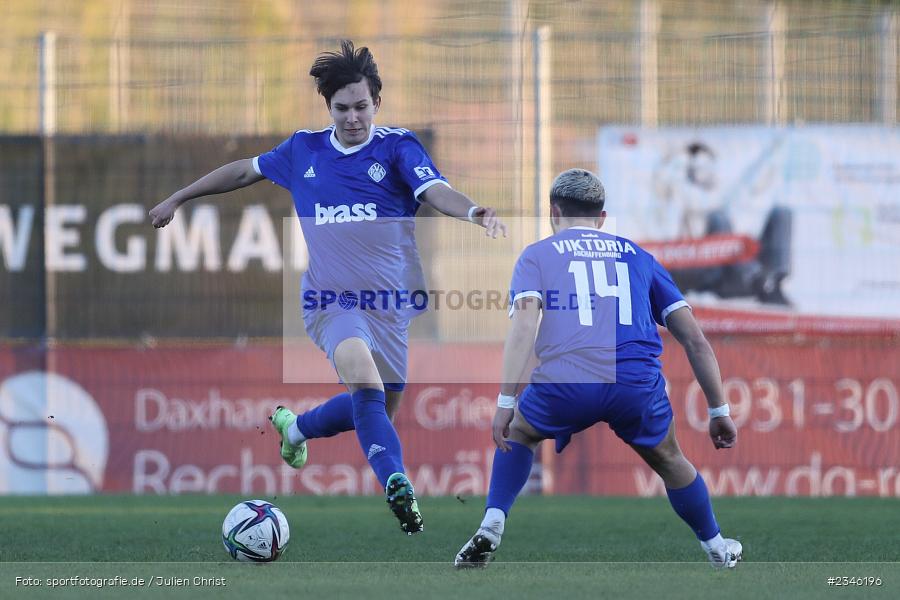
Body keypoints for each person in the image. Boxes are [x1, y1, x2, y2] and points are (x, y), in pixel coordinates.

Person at [150, 40, 506, 535]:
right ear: (329, 108)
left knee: (378, 407)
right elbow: (241, 171)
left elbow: (435, 191)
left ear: (376, 102)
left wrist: (474, 211)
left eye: (362, 106)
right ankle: (397, 483)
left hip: (388, 308)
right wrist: (179, 197)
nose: (353, 118)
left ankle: (295, 428)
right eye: (342, 109)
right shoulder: (303, 149)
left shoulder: (399, 148)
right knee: (364, 381)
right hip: (329, 300)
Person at [454, 168, 741, 568]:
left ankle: (493, 522)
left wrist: (506, 400)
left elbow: (524, 326)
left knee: (518, 432)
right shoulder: (640, 258)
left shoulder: (537, 255)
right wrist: (719, 411)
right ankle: (716, 546)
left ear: (554, 212)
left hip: (567, 382)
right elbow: (694, 339)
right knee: (671, 459)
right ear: (602, 218)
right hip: (634, 385)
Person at [654, 141, 792, 305]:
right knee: (719, 220)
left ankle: (772, 282)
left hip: (733, 268)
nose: (705, 171)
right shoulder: (673, 196)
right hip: (706, 273)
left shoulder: (727, 192)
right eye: (696, 167)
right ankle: (759, 280)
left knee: (782, 214)